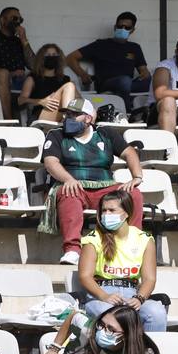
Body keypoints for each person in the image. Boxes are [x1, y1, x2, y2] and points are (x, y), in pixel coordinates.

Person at [40, 98, 144, 266]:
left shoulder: (105, 133)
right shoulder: (56, 135)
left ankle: (131, 246)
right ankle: (72, 251)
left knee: (134, 194)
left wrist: (137, 177)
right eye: (67, 114)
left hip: (105, 187)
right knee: (69, 191)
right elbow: (50, 162)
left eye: (74, 115)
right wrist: (68, 179)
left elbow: (130, 152)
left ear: (88, 118)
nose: (68, 118)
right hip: (74, 185)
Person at [76, 189, 167, 332]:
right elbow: (84, 276)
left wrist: (139, 298)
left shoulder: (144, 239)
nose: (106, 215)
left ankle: (150, 353)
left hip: (132, 293)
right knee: (112, 316)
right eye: (104, 210)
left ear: (127, 212)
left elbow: (149, 279)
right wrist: (104, 296)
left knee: (156, 312)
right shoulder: (93, 238)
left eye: (112, 210)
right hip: (101, 294)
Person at [67, 12, 150, 108]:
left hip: (128, 84)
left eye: (127, 28)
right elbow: (70, 58)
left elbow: (144, 70)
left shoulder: (135, 48)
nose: (123, 29)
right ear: (115, 27)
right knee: (125, 81)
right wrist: (82, 74)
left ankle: (145, 112)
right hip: (106, 84)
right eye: (120, 26)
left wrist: (144, 74)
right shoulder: (101, 45)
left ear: (132, 30)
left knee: (154, 82)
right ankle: (126, 112)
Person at [18, 44, 78, 123]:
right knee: (70, 86)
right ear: (41, 58)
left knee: (91, 112)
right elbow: (20, 100)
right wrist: (41, 101)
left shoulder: (65, 79)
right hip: (40, 116)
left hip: (61, 115)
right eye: (47, 54)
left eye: (54, 55)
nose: (51, 57)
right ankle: (69, 122)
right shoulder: (33, 78)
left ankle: (69, 121)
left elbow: (80, 100)